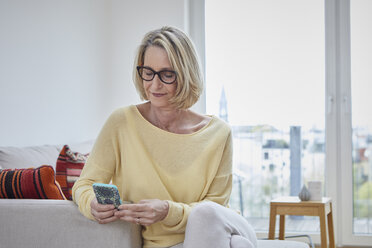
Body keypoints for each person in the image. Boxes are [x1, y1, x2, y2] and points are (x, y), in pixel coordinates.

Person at [72, 26, 257, 248]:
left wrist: (167, 211)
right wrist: (91, 203)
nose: (154, 84)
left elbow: (215, 206)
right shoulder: (122, 122)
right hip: (183, 243)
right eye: (148, 73)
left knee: (206, 214)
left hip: (218, 228)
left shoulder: (218, 133)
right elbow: (85, 184)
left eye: (167, 74)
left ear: (186, 74)